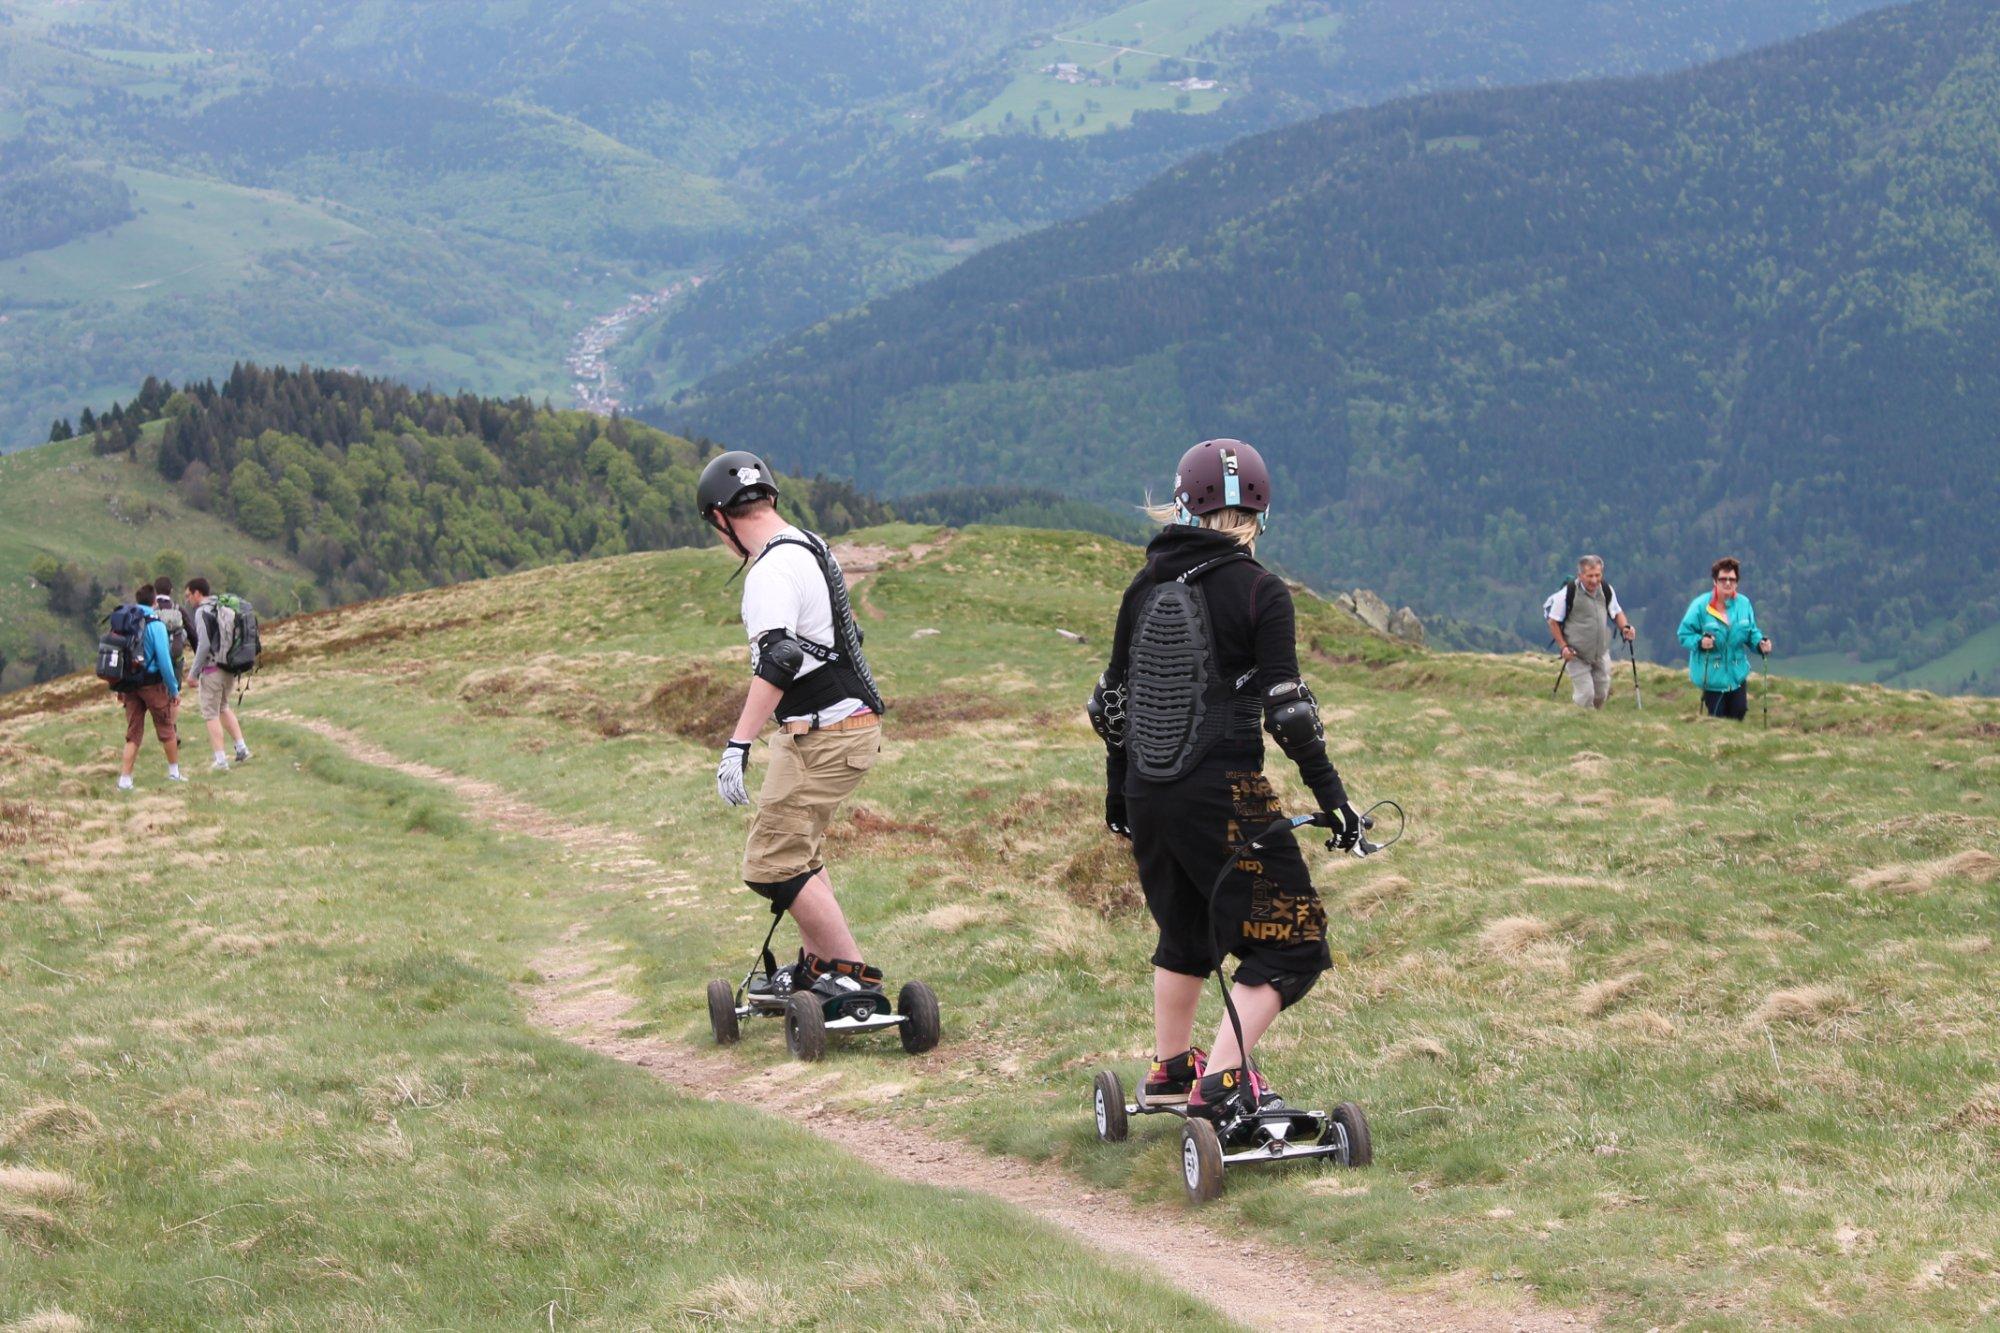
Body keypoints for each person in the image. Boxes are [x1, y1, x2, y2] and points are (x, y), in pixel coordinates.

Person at [1088, 438, 1363, 1120]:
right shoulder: (1261, 591)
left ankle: (1171, 1069)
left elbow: (1111, 705)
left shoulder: (1144, 584)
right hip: (1224, 789)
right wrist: (1335, 801)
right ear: (1260, 508)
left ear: (1182, 501)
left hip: (1151, 791)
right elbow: (1290, 713)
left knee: (1185, 932)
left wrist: (1119, 794)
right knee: (1294, 942)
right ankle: (1225, 1082)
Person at [698, 450, 890, 1009]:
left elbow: (778, 658)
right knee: (796, 852)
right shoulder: (809, 546)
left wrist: (737, 745)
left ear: (719, 517)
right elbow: (847, 631)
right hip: (832, 728)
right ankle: (816, 969)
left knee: (771, 863)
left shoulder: (771, 570)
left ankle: (849, 975)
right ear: (771, 498)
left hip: (826, 732)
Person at [1676, 556, 1770, 721]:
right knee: (1717, 719)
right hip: (1712, 676)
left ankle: (1734, 745)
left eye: (1732, 580)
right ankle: (1716, 745)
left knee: (1739, 712)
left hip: (1737, 674)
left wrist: (1760, 644)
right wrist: (1700, 642)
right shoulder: (1700, 606)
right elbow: (1684, 634)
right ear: (1715, 581)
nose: (1728, 583)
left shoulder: (1744, 604)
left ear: (1737, 582)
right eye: (1723, 579)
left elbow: (1751, 633)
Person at [111, 585, 182, 790]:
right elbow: (165, 662)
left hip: (130, 685)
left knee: (133, 733)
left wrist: (119, 688)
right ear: (154, 602)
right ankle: (174, 773)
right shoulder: (155, 624)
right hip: (152, 683)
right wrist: (174, 689)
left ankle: (125, 780)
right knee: (166, 728)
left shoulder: (125, 622)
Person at [1544, 555, 1635, 710]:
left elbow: (1616, 612)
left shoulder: (1606, 590)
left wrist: (1625, 627)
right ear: (1580, 576)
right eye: (1589, 576)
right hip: (1576, 654)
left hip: (1600, 653)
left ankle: (1593, 722)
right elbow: (1553, 622)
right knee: (1585, 695)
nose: (1594, 580)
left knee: (1601, 693)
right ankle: (1581, 725)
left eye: (1597, 575)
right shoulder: (1567, 594)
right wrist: (1564, 647)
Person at [183, 577, 252, 770]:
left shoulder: (202, 612)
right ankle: (241, 749)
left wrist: (193, 673)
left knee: (210, 714)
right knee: (223, 707)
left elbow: (204, 645)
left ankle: (221, 760)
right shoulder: (222, 606)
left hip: (212, 670)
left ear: (198, 593)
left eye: (188, 595)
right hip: (229, 667)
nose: (188, 600)